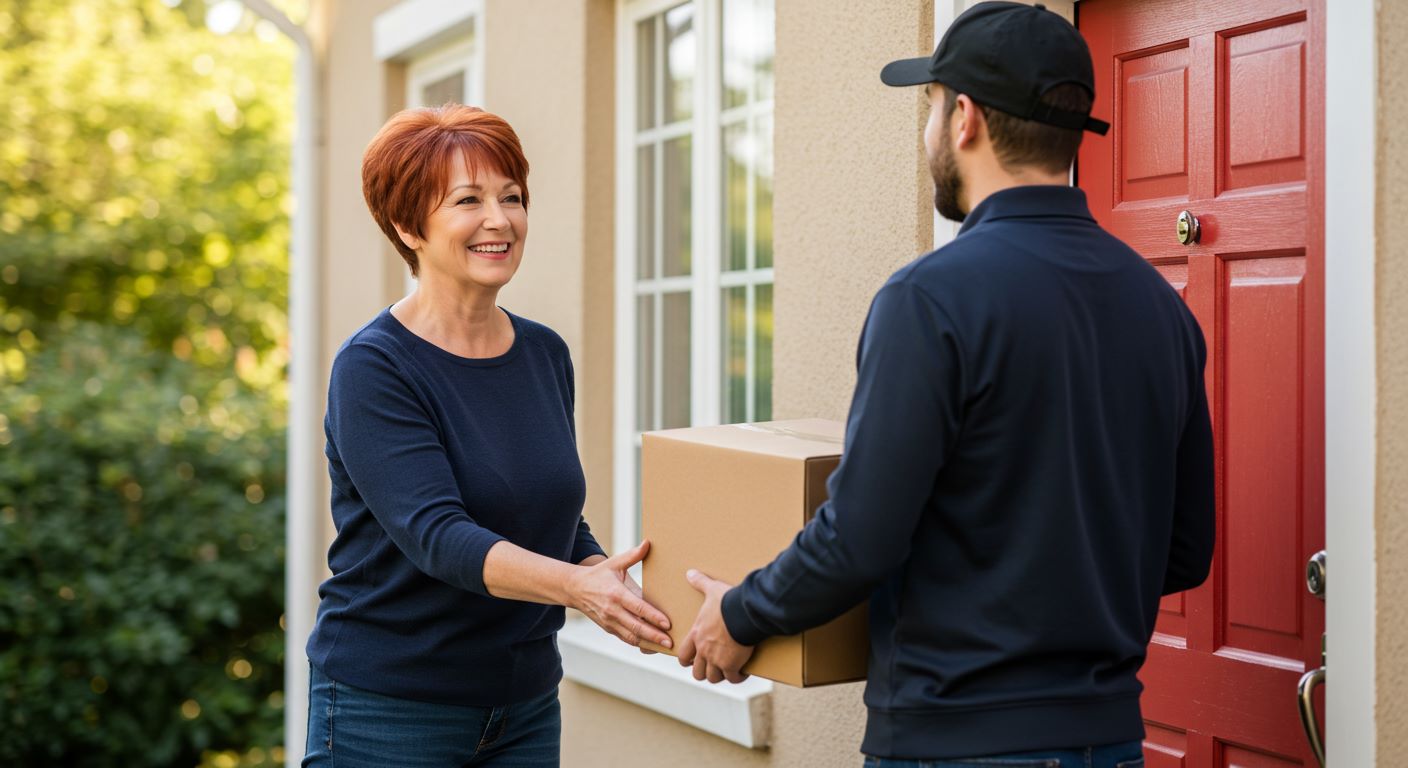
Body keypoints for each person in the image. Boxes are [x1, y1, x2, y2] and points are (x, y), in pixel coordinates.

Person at [677, 3, 1215, 767]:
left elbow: (859, 537)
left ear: (964, 119)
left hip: (956, 744)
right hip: (1108, 743)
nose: (928, 129)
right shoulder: (1162, 310)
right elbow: (1185, 554)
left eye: (929, 105)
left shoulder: (929, 300)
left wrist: (740, 612)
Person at [303, 104, 672, 767]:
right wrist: (578, 589)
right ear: (407, 225)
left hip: (524, 708)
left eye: (513, 197)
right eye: (468, 200)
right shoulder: (374, 368)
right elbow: (438, 537)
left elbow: (551, 510)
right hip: (388, 711)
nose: (500, 219)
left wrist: (608, 582)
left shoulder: (543, 353)